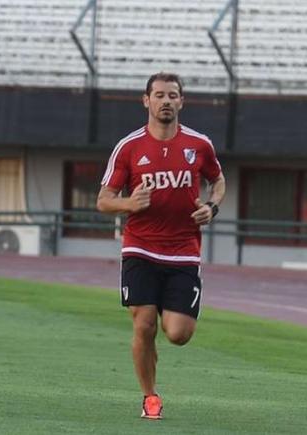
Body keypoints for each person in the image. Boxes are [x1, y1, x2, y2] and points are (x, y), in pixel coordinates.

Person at [97, 72, 226, 419]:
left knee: (178, 333)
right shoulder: (129, 147)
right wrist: (129, 204)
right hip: (140, 247)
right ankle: (149, 396)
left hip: (184, 249)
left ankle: (162, 347)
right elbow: (104, 200)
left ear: (181, 101)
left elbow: (218, 180)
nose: (165, 101)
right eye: (159, 95)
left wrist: (211, 208)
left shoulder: (199, 145)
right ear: (146, 100)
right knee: (144, 324)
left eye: (172, 95)